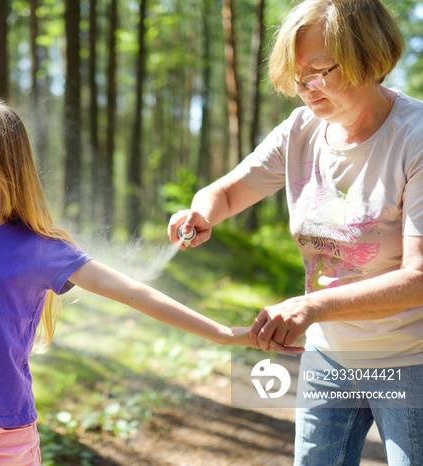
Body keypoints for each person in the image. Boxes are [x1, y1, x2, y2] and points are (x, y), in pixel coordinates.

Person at [0, 99, 297, 465]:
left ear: (9, 174)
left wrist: (223, 333)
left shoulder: (39, 251)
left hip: (6, 436)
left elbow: (134, 292)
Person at [168, 0, 423, 464]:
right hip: (327, 358)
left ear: (368, 55)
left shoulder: (416, 138)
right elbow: (225, 194)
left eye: (318, 70)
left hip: (411, 360)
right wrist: (200, 213)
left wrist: (311, 306)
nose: (305, 88)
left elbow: (419, 278)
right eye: (296, 75)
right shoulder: (301, 129)